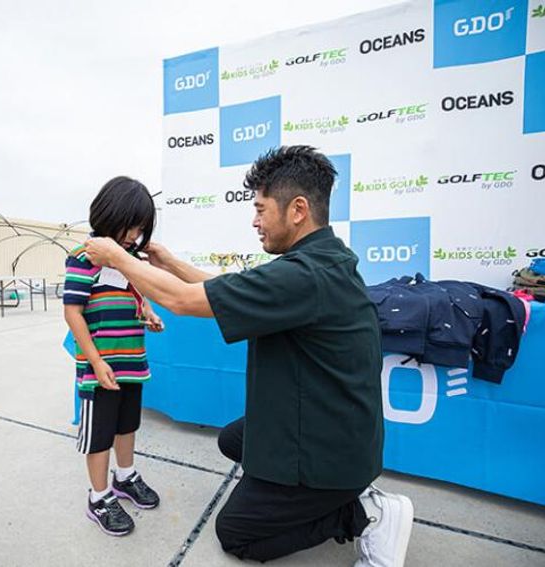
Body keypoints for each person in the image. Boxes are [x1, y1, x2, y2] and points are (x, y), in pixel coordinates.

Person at [84, 146, 414, 566]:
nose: (255, 220)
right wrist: (169, 262)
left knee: (236, 533)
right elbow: (229, 290)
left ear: (297, 209)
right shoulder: (319, 262)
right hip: (337, 429)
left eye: (260, 208)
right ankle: (330, 493)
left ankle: (363, 514)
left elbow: (183, 302)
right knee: (233, 439)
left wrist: (114, 255)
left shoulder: (303, 275)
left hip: (330, 451)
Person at [63, 176, 164, 537]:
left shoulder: (129, 260)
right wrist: (96, 361)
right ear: (108, 214)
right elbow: (73, 312)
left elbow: (137, 293)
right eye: (131, 225)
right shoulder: (83, 258)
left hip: (131, 364)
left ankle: (125, 476)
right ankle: (99, 495)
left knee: (127, 425)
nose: (134, 236)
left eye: (140, 229)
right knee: (100, 435)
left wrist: (148, 312)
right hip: (99, 370)